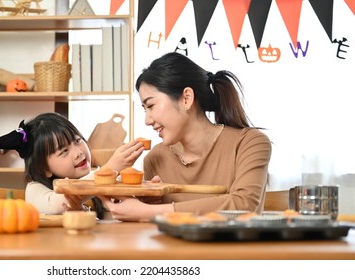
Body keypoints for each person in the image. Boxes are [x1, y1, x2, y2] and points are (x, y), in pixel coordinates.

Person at [99, 52, 272, 222]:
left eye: (151, 105)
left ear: (186, 98)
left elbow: (244, 205)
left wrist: (149, 212)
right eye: (145, 110)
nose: (147, 120)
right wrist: (144, 205)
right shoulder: (155, 158)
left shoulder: (250, 143)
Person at [0, 112, 144, 217]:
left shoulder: (93, 178)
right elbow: (59, 203)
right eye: (63, 151)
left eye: (77, 141)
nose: (78, 152)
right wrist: (110, 169)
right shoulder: (35, 188)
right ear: (44, 168)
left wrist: (144, 200)